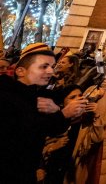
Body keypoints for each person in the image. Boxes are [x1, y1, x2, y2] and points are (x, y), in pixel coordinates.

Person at [0, 43, 86, 183]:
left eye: (52, 66)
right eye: (44, 66)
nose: (51, 72)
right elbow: (24, 133)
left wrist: (60, 112)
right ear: (20, 71)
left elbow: (51, 129)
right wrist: (62, 114)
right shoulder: (7, 95)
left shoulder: (37, 93)